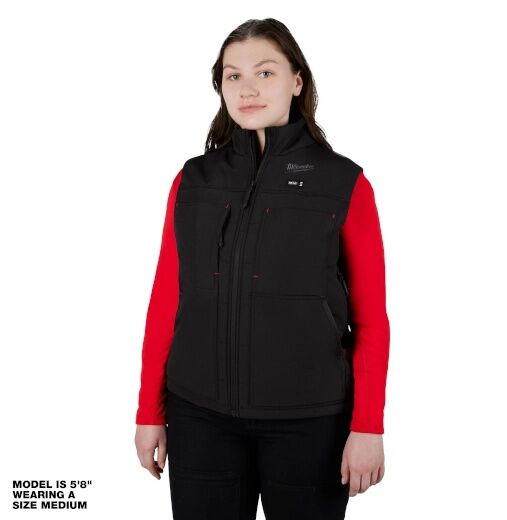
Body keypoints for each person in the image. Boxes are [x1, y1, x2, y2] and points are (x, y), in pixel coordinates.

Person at [134, 18, 390, 520]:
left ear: (297, 81)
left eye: (265, 72)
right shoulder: (193, 181)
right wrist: (149, 412)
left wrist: (368, 427)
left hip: (309, 423)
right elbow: (166, 301)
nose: (247, 88)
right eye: (233, 76)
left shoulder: (343, 183)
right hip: (199, 417)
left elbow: (372, 320)